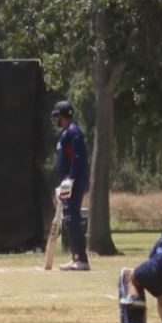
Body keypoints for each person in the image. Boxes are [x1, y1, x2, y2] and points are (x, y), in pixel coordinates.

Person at [52, 100, 90, 271]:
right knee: (68, 217)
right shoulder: (66, 133)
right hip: (67, 180)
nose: (55, 120)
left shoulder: (74, 132)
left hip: (73, 180)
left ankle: (81, 259)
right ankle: (76, 257)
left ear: (62, 115)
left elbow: (78, 157)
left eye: (57, 116)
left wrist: (70, 179)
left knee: (72, 217)